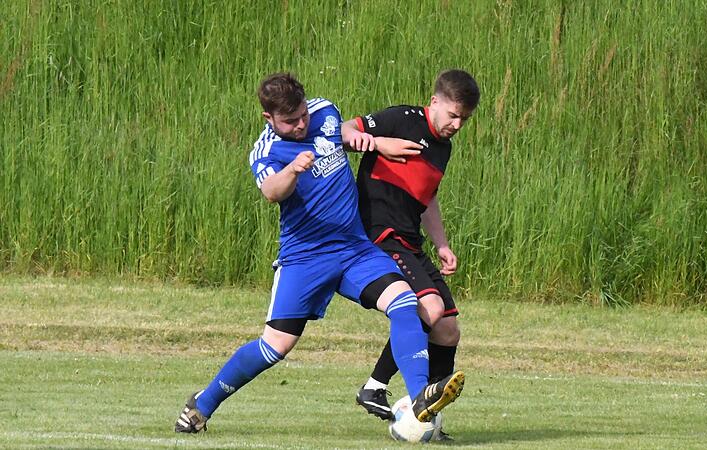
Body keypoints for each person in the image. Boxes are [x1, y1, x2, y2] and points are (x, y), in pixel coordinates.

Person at [174, 73, 465, 433]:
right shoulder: (267, 150)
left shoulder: (324, 111)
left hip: (355, 250)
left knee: (406, 302)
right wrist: (293, 170)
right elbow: (271, 191)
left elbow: (340, 134)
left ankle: (420, 397)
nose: (300, 125)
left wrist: (374, 142)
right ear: (268, 118)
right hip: (306, 259)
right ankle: (201, 405)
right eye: (290, 121)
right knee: (275, 346)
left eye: (302, 115)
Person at [341, 70, 480, 432]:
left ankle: (431, 419)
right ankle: (375, 386)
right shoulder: (401, 119)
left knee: (447, 330)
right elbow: (341, 132)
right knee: (430, 308)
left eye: (464, 119)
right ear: (435, 102)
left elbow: (427, 197)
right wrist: (378, 144)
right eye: (453, 115)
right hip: (380, 233)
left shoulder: (443, 149)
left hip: (410, 240)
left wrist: (442, 244)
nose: (457, 125)